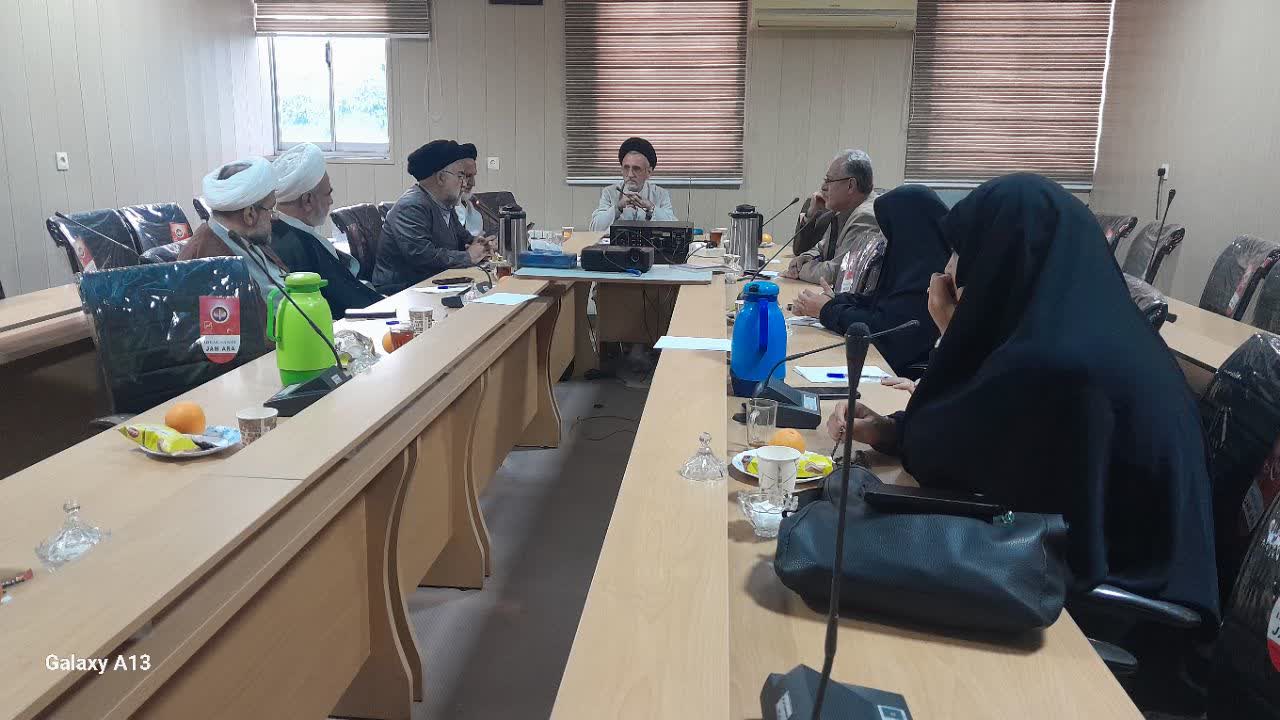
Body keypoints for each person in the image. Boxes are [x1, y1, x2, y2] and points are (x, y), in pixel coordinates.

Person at [825, 173, 1220, 622]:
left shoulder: (1058, 364)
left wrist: (953, 334)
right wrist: (889, 430)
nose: (948, 269)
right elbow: (971, 431)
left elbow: (935, 456)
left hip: (1111, 605)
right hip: (1100, 564)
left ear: (1001, 258)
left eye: (962, 251)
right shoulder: (1087, 327)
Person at [790, 185, 950, 378]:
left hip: (902, 375)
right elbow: (876, 301)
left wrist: (826, 310)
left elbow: (885, 330)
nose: (883, 237)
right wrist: (836, 301)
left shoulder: (929, 274)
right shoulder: (910, 258)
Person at [269, 143, 382, 319]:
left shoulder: (282, 231)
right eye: (328, 193)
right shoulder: (298, 244)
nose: (331, 201)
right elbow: (349, 300)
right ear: (308, 200)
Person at [374, 140, 494, 295]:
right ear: (441, 178)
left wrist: (482, 245)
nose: (465, 183)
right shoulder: (411, 206)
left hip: (433, 283)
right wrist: (468, 256)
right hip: (402, 291)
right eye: (460, 176)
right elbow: (421, 255)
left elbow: (463, 239)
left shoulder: (444, 205)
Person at [179, 157, 289, 301]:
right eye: (270, 209)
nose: (274, 217)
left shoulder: (246, 236)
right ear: (250, 214)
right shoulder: (210, 261)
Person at [782, 150, 880, 287]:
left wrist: (800, 270)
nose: (823, 187)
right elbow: (822, 248)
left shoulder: (866, 216)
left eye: (829, 180)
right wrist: (807, 257)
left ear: (850, 185)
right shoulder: (845, 210)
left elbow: (839, 273)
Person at [589, 137, 677, 231]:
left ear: (649, 172)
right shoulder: (610, 193)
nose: (630, 174)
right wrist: (618, 207)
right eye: (626, 168)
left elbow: (674, 227)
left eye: (636, 169)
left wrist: (651, 207)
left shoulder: (661, 194)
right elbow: (595, 229)